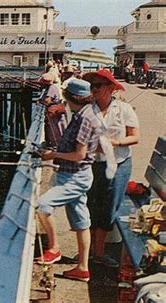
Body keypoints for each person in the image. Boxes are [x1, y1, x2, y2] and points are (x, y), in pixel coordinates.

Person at [35, 79, 102, 282]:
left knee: (42, 206)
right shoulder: (86, 113)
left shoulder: (84, 119)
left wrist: (51, 156)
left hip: (75, 176)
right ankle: (82, 269)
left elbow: (79, 154)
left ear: (70, 97)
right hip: (78, 174)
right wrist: (55, 151)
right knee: (82, 223)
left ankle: (54, 248)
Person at [83, 69, 140, 268]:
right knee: (90, 207)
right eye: (92, 86)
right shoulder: (88, 109)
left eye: (98, 85)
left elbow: (135, 137)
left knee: (108, 209)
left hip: (118, 164)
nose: (94, 89)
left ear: (110, 88)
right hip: (93, 164)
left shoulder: (123, 109)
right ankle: (88, 252)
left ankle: (99, 253)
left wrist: (116, 142)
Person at [38, 72, 67, 147]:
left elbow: (47, 101)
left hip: (54, 110)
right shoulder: (51, 87)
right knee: (56, 127)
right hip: (55, 110)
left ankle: (57, 144)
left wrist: (40, 101)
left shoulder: (51, 88)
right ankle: (56, 143)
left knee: (56, 128)